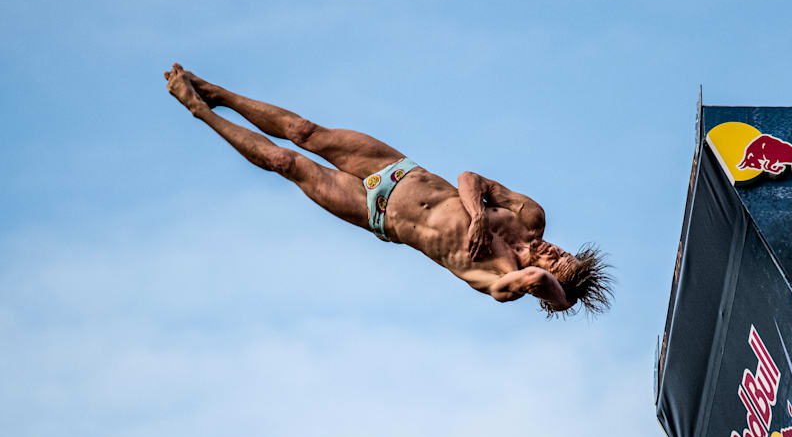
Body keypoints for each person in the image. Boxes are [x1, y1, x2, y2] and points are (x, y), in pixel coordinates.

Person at [164, 64, 611, 316]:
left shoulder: (501, 278)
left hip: (375, 212)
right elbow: (470, 179)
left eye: (556, 260)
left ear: (547, 285)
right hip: (396, 170)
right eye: (561, 250)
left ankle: (200, 111)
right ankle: (218, 92)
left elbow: (537, 279)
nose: (552, 249)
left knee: (286, 163)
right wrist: (477, 214)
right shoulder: (530, 217)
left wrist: (562, 298)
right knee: (305, 132)